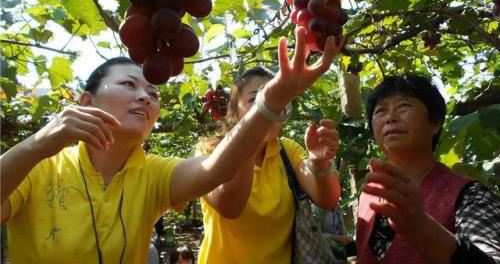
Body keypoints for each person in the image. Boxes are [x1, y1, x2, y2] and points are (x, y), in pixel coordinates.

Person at [0, 27, 343, 262]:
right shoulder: (38, 167)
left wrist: (270, 104)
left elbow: (217, 170)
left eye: (153, 93)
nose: (144, 97)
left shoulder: (152, 174)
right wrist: (37, 144)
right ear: (86, 101)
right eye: (128, 85)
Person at [195, 65, 342, 263]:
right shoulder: (210, 152)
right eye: (254, 100)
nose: (269, 107)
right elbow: (228, 205)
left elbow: (328, 200)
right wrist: (251, 133)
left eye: (275, 99)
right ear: (234, 112)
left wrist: (319, 161)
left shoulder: (287, 151)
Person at [356, 74, 500, 264]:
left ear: (436, 122)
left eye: (403, 107)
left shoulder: (468, 195)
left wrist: (421, 227)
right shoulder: (368, 196)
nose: (390, 118)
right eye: (380, 111)